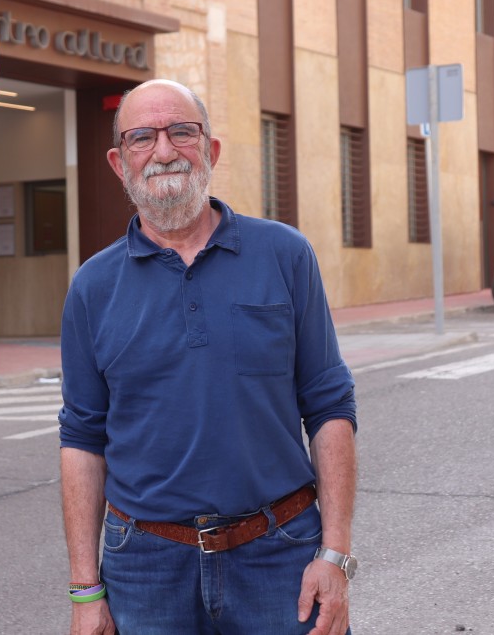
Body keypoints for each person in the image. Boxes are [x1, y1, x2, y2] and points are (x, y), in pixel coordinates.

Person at [58, 79, 357, 635]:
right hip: (144, 566)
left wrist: (334, 555)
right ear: (119, 163)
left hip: (280, 555)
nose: (164, 151)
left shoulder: (285, 254)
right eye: (142, 137)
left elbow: (330, 405)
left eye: (182, 131)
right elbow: (82, 440)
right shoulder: (92, 286)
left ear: (211, 150)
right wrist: (85, 590)